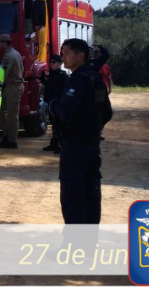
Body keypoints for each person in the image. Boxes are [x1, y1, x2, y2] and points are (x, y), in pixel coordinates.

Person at [52, 38, 113, 224]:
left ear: (81, 56)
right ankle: (87, 244)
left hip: (75, 146)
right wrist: (93, 127)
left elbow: (65, 112)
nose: (63, 58)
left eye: (67, 54)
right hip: (91, 145)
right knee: (90, 194)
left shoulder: (78, 80)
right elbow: (107, 113)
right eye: (62, 54)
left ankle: (75, 247)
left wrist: (52, 106)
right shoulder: (95, 78)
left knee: (73, 197)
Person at [0, 34, 24, 149]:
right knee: (2, 112)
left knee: (12, 115)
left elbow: (3, 74)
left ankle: (12, 140)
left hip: (13, 87)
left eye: (0, 42)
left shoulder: (8, 56)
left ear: (4, 42)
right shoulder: (15, 53)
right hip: (12, 86)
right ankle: (7, 136)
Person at [41, 54, 69, 154]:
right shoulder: (51, 74)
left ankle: (61, 145)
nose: (52, 64)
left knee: (59, 125)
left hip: (58, 103)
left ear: (60, 64)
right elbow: (47, 86)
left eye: (54, 62)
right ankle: (54, 144)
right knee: (54, 124)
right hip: (51, 102)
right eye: (51, 62)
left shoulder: (62, 75)